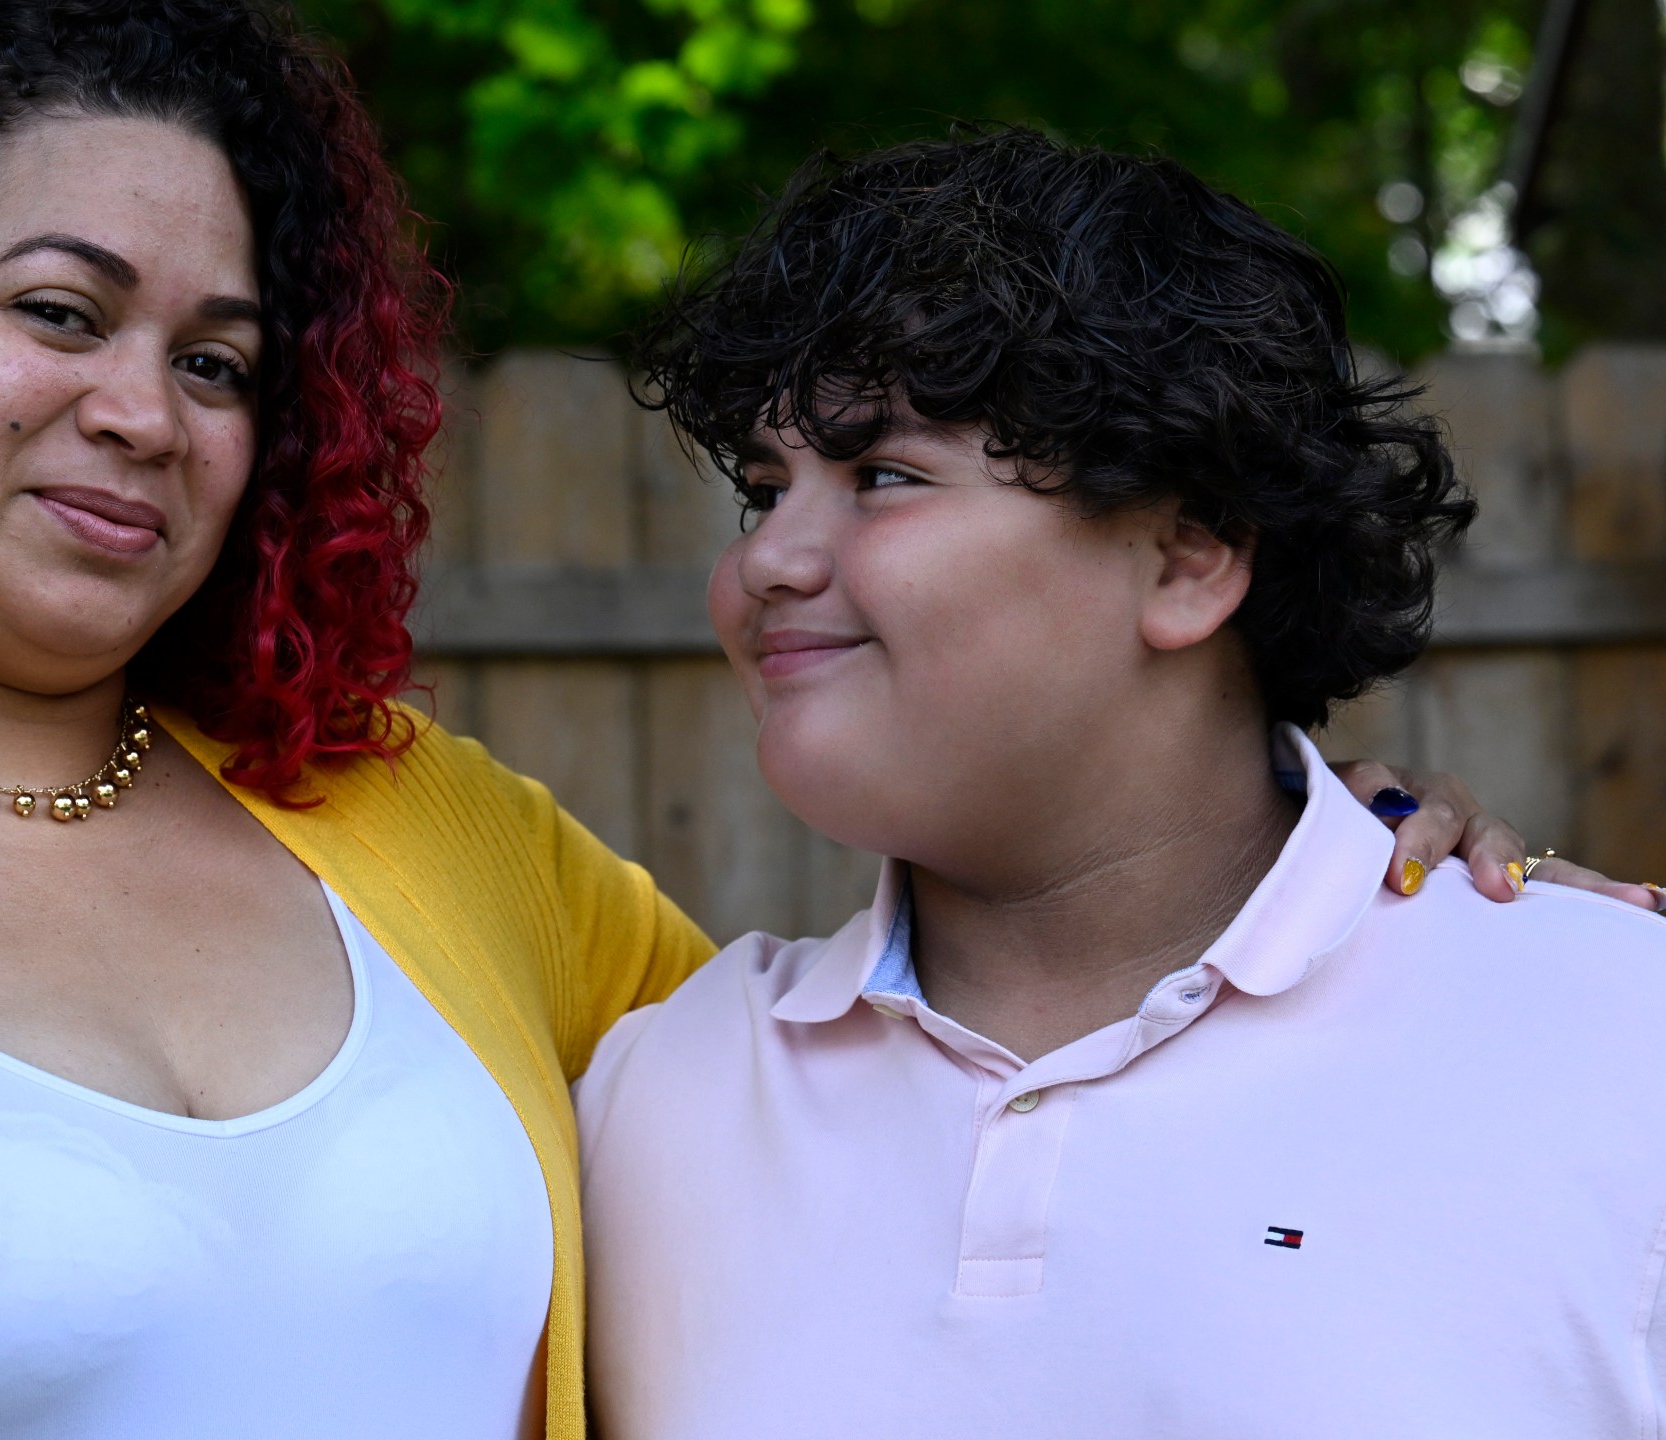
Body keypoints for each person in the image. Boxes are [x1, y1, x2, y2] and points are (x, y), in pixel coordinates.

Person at [0, 8, 1573, 1433]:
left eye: (217, 363)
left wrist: (1335, 852)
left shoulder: (416, 839)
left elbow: (916, 1050)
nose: (139, 410)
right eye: (57, 312)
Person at [576, 130, 1666, 1440]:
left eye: (883, 477)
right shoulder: (651, 1095)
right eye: (764, 493)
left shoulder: (1618, 1040)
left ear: (1188, 557)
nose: (768, 562)